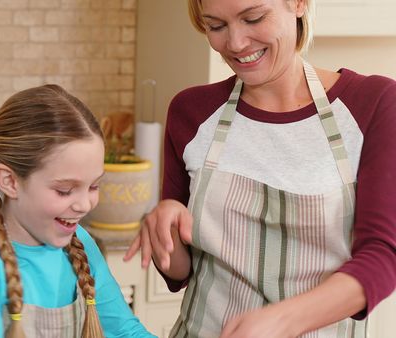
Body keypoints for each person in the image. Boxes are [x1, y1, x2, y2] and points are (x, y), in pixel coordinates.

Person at [124, 0, 396, 337]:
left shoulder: (373, 102)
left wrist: (280, 320)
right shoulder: (190, 111)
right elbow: (180, 274)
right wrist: (166, 226)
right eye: (216, 26)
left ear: (298, 4)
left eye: (253, 18)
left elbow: (383, 257)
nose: (236, 44)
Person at [0, 84, 156, 338]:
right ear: (9, 181)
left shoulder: (80, 243)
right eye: (64, 190)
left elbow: (124, 331)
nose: (84, 205)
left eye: (94, 185)